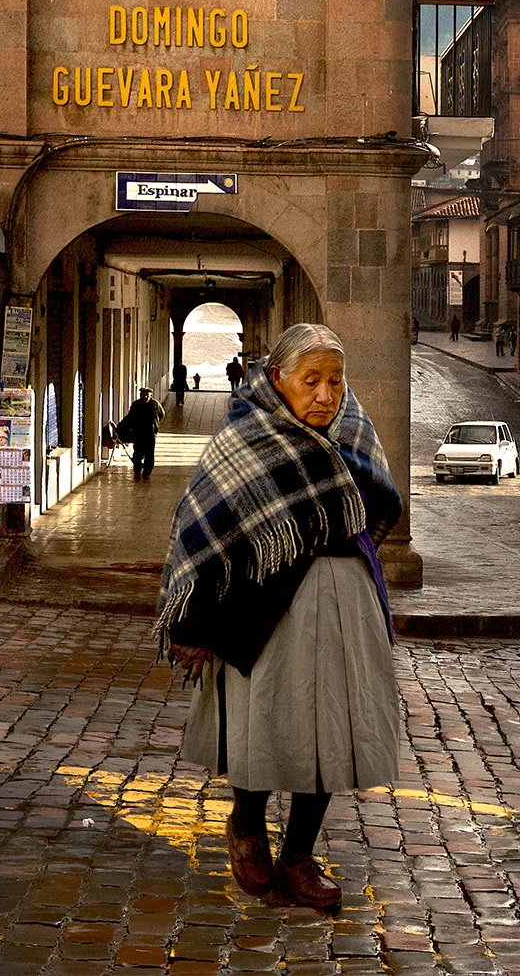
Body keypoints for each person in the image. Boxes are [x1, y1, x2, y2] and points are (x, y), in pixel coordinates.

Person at [158, 323, 402, 912]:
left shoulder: (353, 430)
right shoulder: (244, 439)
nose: (325, 395)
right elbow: (205, 533)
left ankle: (298, 858)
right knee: (263, 721)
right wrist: (196, 624)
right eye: (310, 381)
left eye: (334, 382)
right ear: (276, 380)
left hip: (347, 601)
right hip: (264, 612)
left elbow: (379, 502)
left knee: (333, 732)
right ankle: (247, 822)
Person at [118, 386, 163, 480]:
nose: (146, 397)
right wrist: (122, 427)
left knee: (149, 454)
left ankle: (147, 473)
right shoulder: (136, 405)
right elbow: (130, 417)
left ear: (151, 395)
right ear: (141, 395)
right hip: (138, 433)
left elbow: (161, 414)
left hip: (150, 434)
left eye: (148, 395)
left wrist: (155, 424)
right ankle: (137, 472)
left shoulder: (155, 404)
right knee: (138, 454)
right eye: (144, 395)